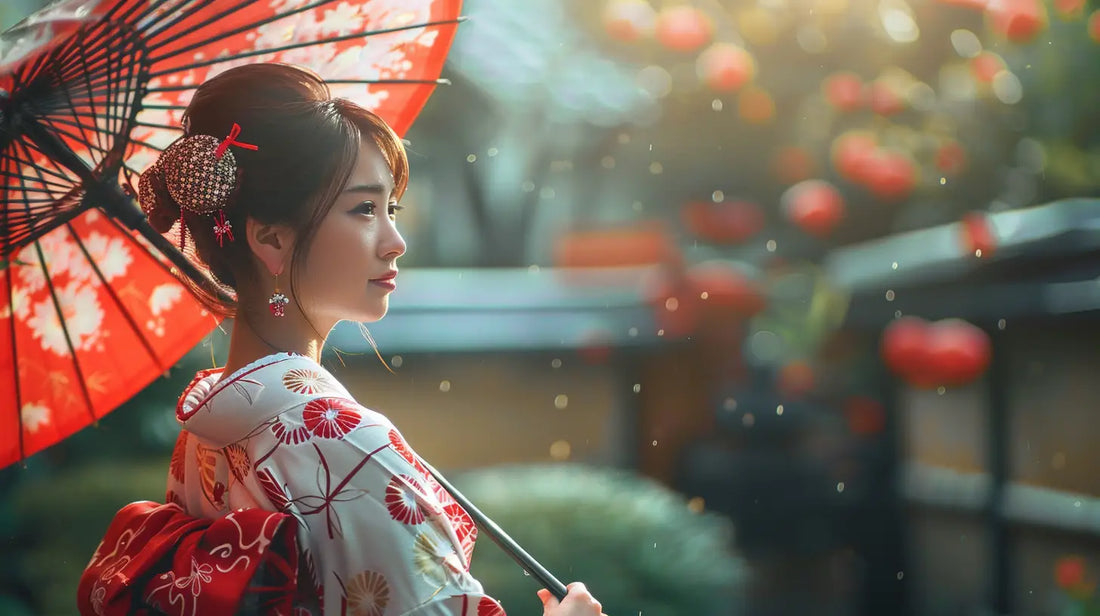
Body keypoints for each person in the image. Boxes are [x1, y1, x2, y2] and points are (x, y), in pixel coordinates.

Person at [79, 63, 603, 616]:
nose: (395, 241)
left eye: (390, 209)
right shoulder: (348, 443)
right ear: (271, 238)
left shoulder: (202, 439)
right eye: (364, 210)